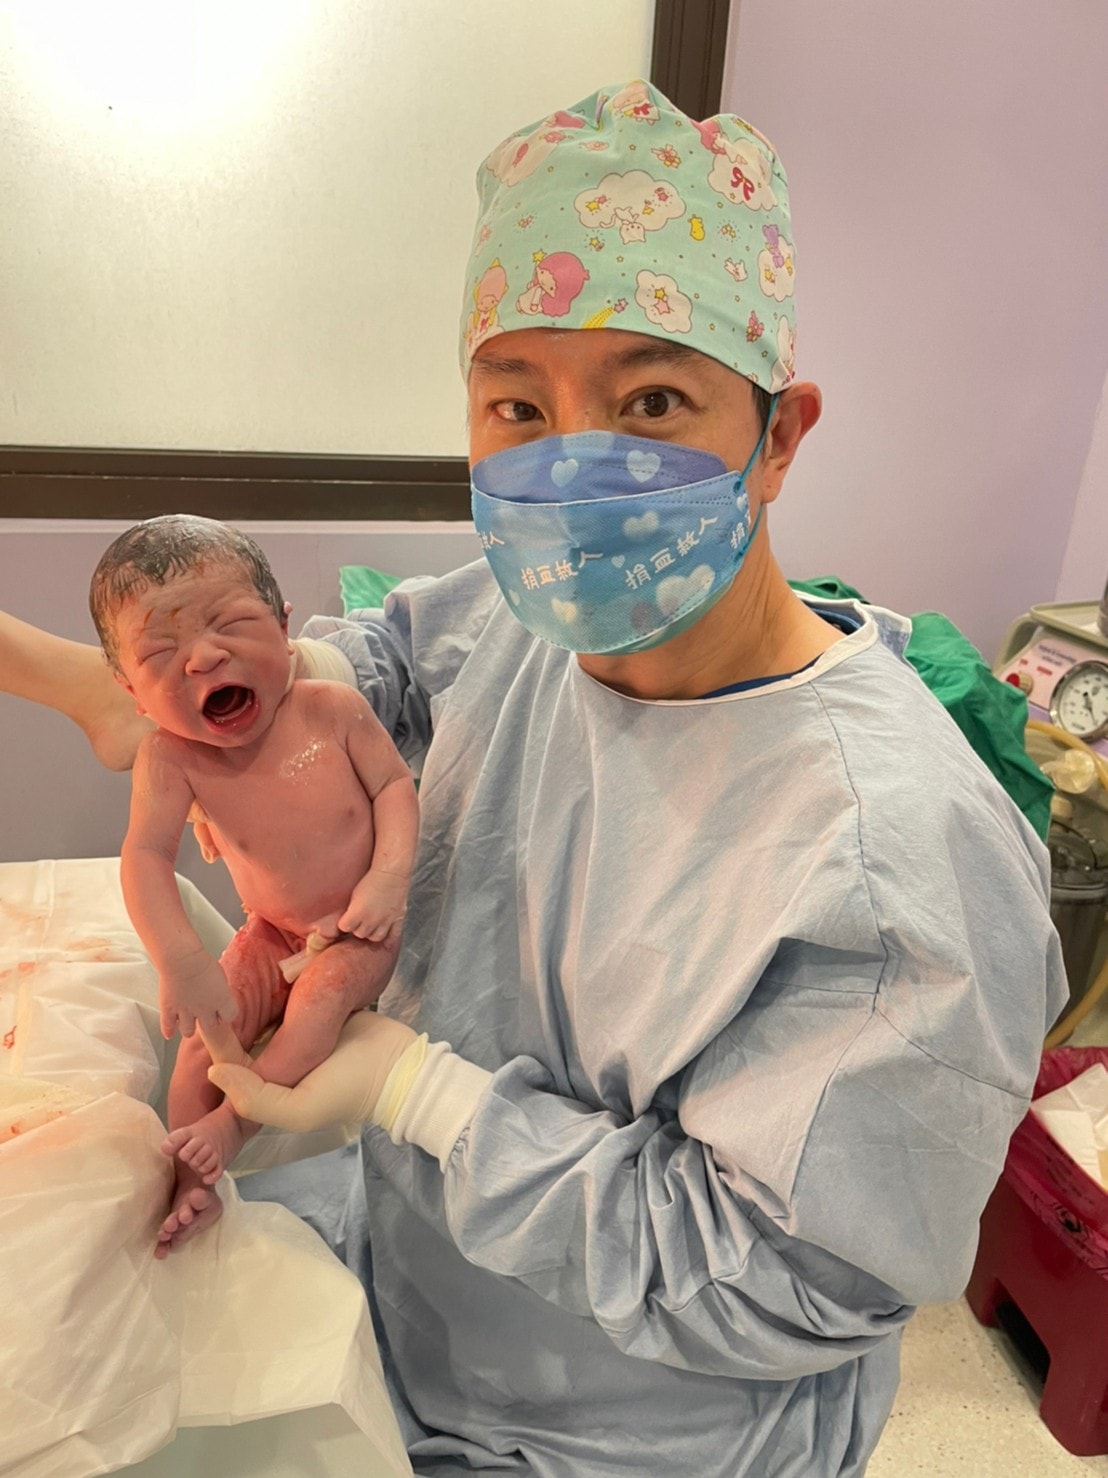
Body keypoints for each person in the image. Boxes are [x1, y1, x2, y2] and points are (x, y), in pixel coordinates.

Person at [3, 80, 1065, 1474]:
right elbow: (377, 667)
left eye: (652, 399)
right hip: (419, 1300)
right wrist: (177, 694)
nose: (572, 469)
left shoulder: (889, 855)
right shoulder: (524, 626)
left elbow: (789, 1275)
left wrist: (418, 1094)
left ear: (779, 437)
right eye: (518, 403)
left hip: (637, 1430)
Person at [89, 515, 419, 1257]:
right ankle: (191, 1178)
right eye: (161, 653)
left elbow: (396, 788)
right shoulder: (172, 759)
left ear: (284, 627)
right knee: (204, 1040)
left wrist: (388, 880)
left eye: (232, 625)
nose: (204, 657)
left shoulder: (331, 710)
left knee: (319, 1002)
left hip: (360, 926)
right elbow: (145, 855)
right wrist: (182, 961)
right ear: (131, 691)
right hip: (271, 929)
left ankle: (233, 1127)